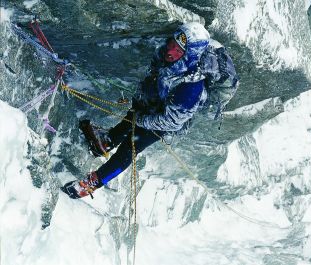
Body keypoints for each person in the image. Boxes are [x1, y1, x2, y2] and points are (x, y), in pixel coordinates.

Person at [61, 22, 236, 199]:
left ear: (189, 55)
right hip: (151, 102)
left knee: (129, 148)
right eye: (172, 44)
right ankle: (105, 143)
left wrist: (143, 121)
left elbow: (172, 122)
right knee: (127, 122)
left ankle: (93, 183)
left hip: (162, 124)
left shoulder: (191, 89)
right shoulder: (168, 56)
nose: (170, 51)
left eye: (178, 50)